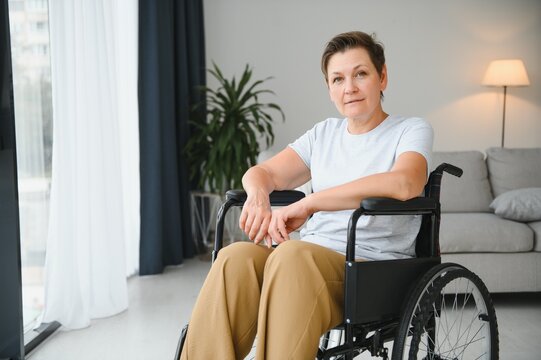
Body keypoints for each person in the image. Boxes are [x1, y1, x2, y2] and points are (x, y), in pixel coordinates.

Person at [180, 31, 433, 360]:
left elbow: (405, 184)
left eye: (361, 74)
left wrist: (311, 201)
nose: (350, 88)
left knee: (291, 256)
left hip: (371, 270)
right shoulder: (323, 134)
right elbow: (263, 173)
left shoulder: (410, 130)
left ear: (382, 76)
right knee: (234, 260)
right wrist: (258, 196)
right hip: (304, 261)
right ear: (329, 89)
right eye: (338, 79)